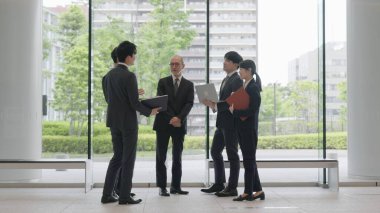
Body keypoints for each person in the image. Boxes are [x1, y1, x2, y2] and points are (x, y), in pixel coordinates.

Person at [101, 40, 160, 205]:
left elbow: (110, 99)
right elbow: (134, 104)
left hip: (113, 122)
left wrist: (133, 95)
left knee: (117, 158)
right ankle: (125, 196)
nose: (134, 58)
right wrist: (150, 111)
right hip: (128, 123)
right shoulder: (129, 75)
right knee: (128, 159)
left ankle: (107, 195)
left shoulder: (107, 76)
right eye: (134, 55)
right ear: (127, 57)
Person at [201, 51, 243, 197]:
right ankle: (219, 183)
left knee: (232, 154)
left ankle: (232, 188)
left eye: (228, 61)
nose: (224, 62)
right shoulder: (226, 80)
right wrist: (212, 105)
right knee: (215, 151)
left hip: (231, 123)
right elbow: (223, 101)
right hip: (222, 123)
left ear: (236, 64)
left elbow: (234, 101)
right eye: (224, 60)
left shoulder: (237, 80)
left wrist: (216, 105)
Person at [153, 55, 194, 196]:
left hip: (179, 125)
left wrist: (179, 118)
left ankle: (176, 186)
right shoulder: (162, 82)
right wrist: (173, 118)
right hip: (163, 123)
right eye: (172, 64)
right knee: (161, 156)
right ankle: (162, 187)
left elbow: (189, 104)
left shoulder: (189, 85)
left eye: (177, 64)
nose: (174, 66)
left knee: (177, 156)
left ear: (183, 66)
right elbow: (161, 102)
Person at [228, 59, 265, 201]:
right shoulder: (246, 85)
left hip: (249, 129)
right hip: (243, 128)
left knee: (249, 161)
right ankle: (259, 191)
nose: (240, 72)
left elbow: (252, 110)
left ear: (249, 70)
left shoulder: (253, 87)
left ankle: (247, 192)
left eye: (241, 70)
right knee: (250, 160)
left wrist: (235, 111)